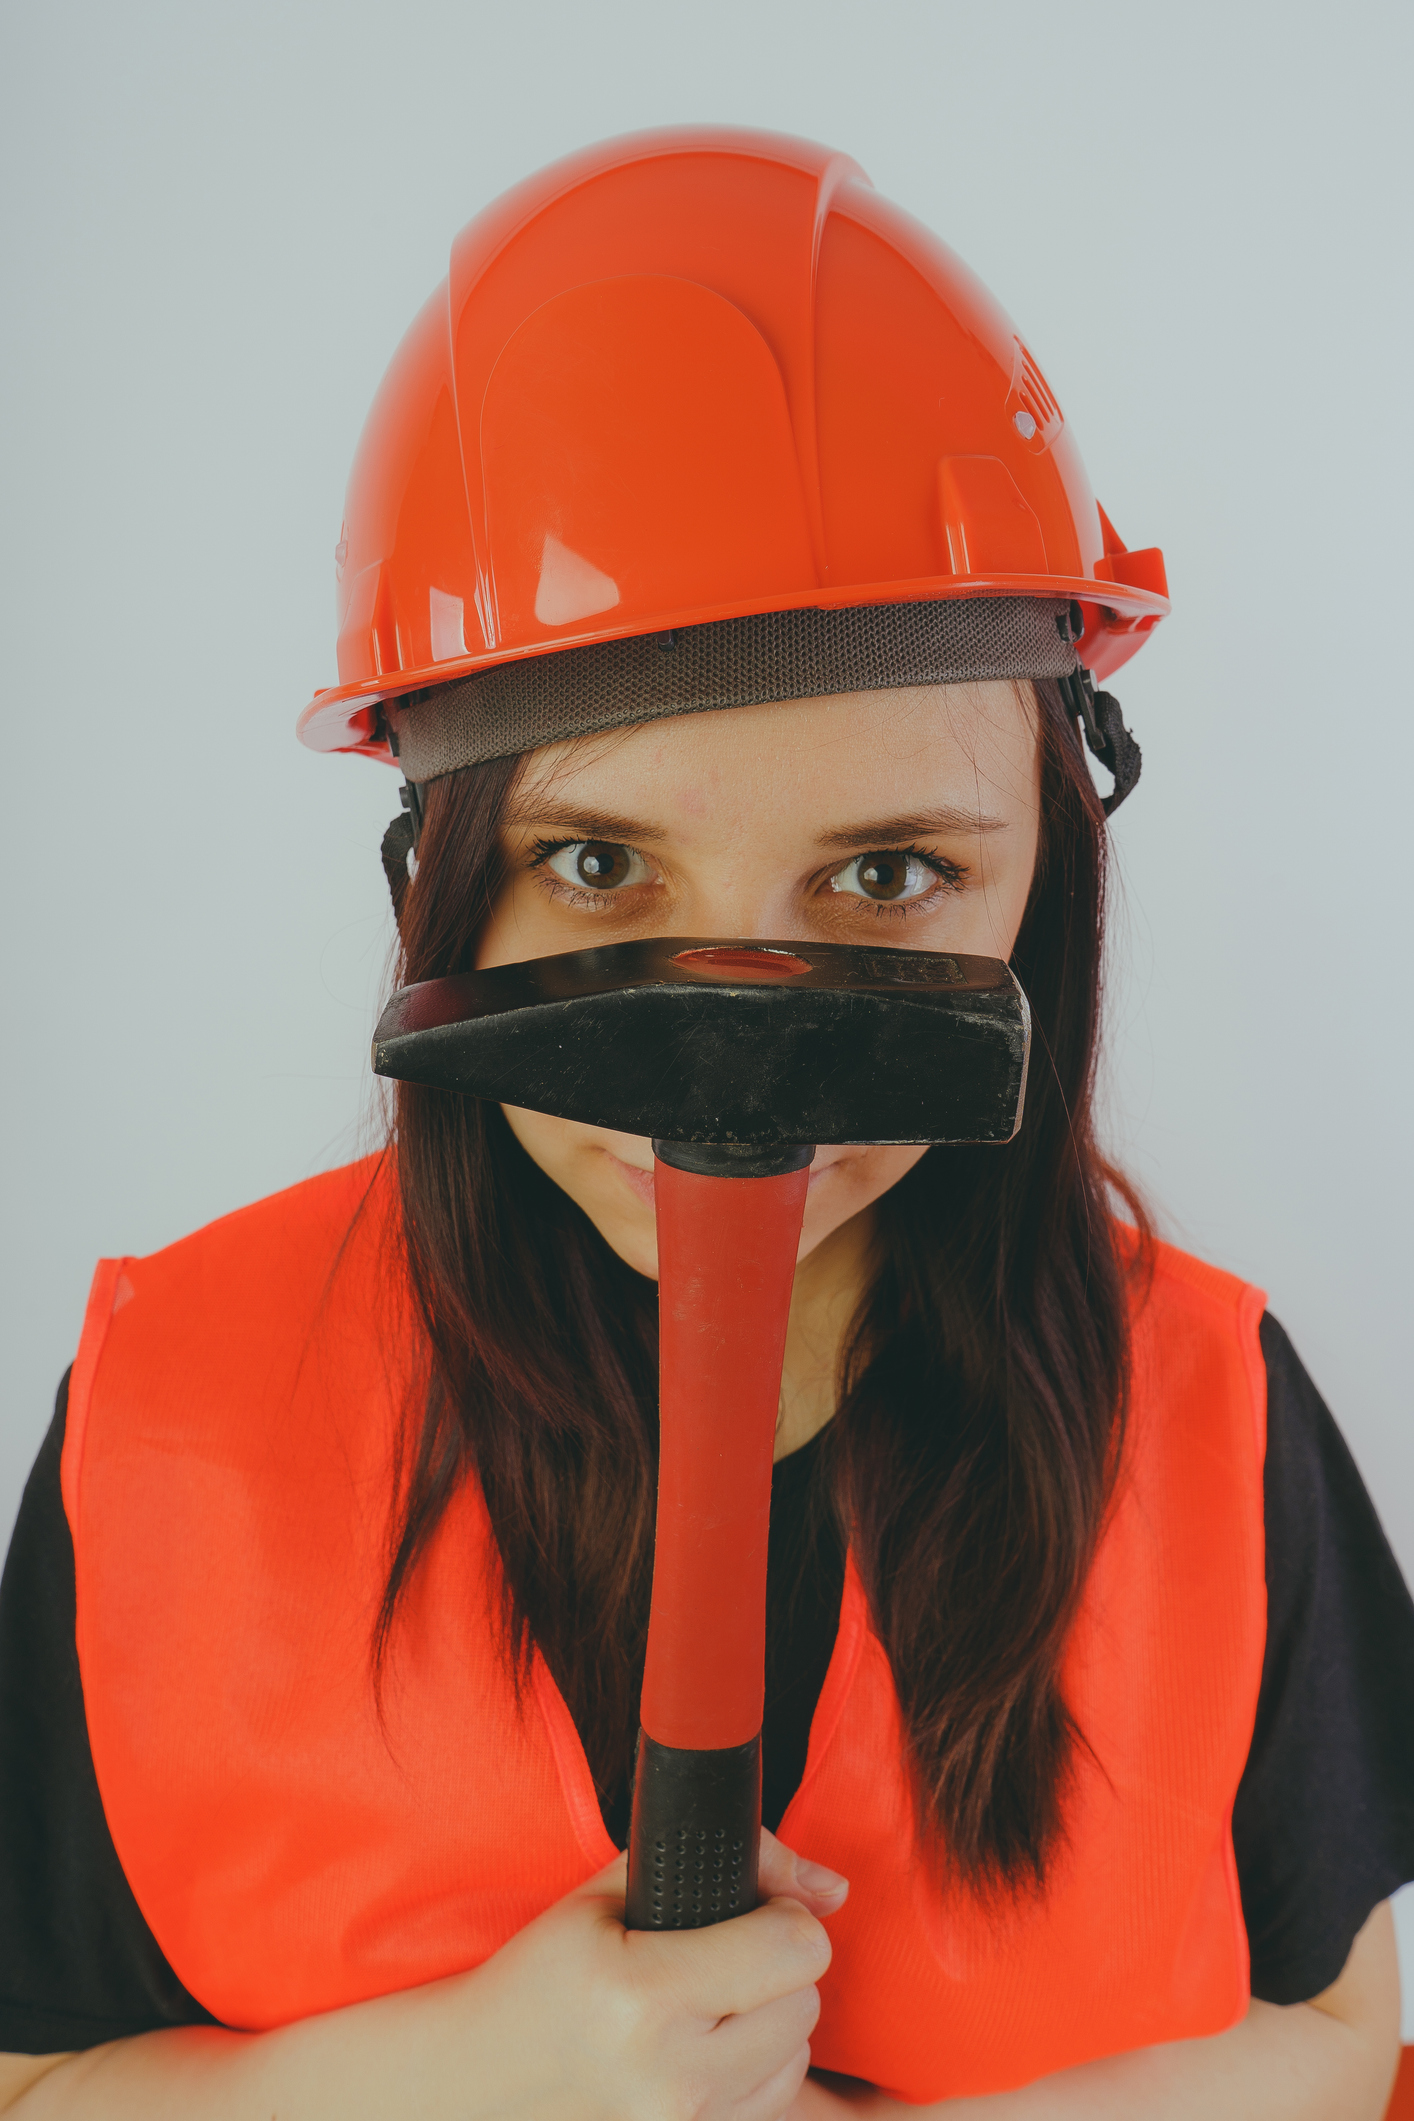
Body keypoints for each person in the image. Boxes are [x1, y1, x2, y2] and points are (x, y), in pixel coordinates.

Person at [1, 127, 1411, 2121]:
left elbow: (1340, 2039)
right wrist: (474, 2076)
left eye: (889, 873)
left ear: (1045, 879)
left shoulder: (1210, 1414)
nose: (743, 1051)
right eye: (594, 862)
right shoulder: (172, 1421)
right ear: (436, 877)